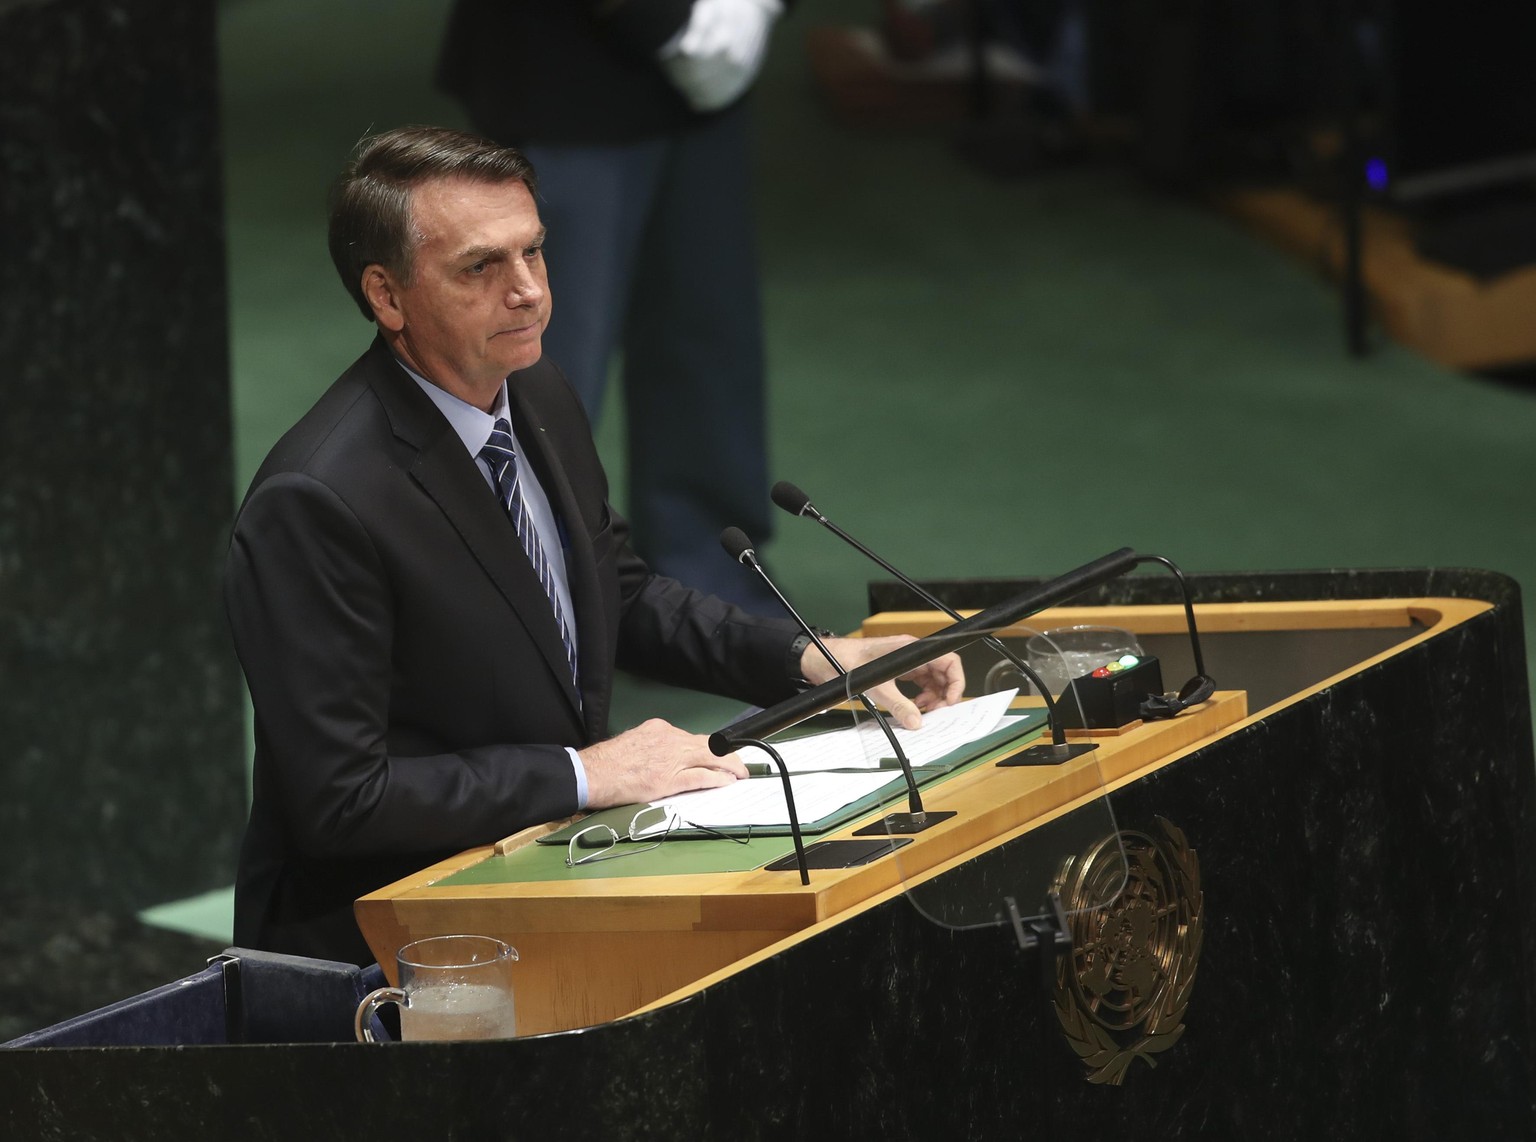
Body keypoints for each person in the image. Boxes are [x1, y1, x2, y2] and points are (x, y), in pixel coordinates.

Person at [224, 126, 964, 966]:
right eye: (482, 267)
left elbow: (617, 593)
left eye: (535, 252)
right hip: (394, 951)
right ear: (387, 297)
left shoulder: (534, 389)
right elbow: (344, 799)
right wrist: (587, 775)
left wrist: (810, 660)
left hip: (550, 889)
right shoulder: (318, 502)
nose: (531, 292)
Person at [436, 1, 786, 611]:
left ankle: (707, 588)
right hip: (568, 69)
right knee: (532, 367)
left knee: (707, 339)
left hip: (705, 87)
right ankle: (508, 608)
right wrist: (673, 23)